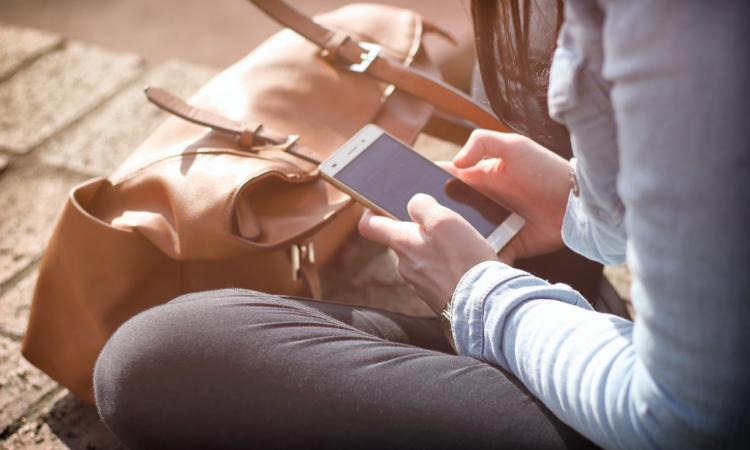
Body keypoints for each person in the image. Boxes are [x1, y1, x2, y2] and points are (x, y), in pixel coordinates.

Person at [93, 1, 750, 449]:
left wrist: (480, 294)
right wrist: (585, 211)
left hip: (675, 416)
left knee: (160, 360)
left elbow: (688, 422)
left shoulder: (675, 31)